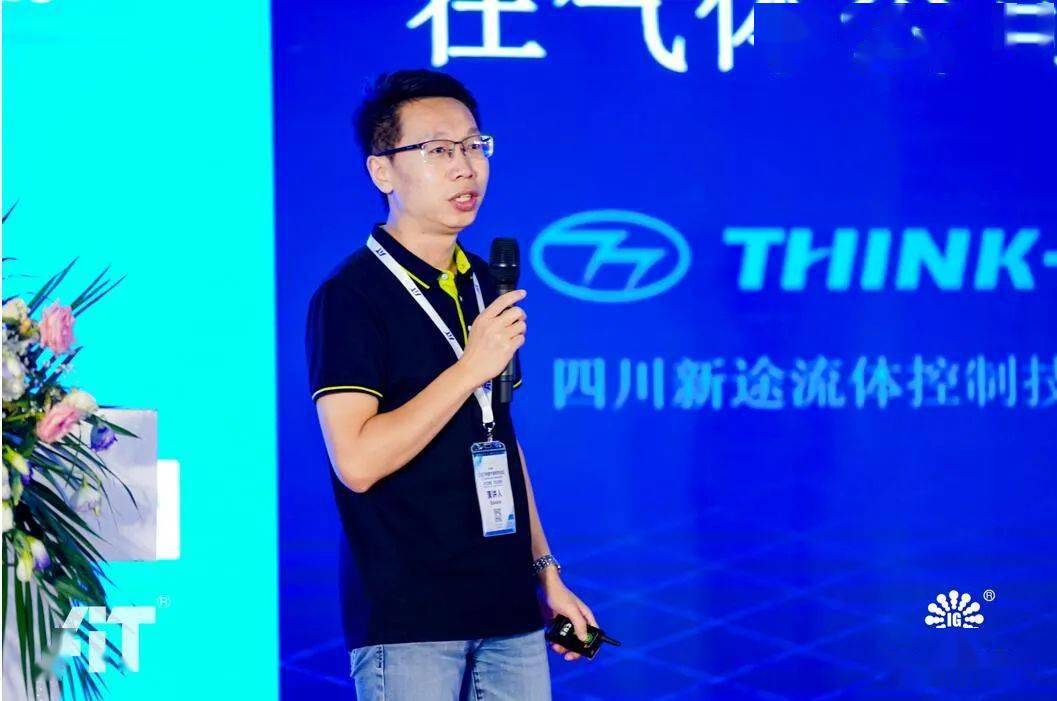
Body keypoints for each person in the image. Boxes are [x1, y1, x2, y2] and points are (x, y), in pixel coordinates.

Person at [305, 68, 597, 700]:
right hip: (411, 619)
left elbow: (500, 436)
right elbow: (357, 462)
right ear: (383, 171)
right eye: (439, 150)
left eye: (473, 145)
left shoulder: (486, 285)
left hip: (510, 610)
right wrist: (469, 367)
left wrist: (546, 573)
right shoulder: (351, 297)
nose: (466, 167)